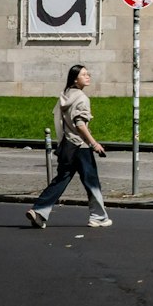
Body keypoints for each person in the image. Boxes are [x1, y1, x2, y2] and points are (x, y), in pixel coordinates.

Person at [26, 64, 111, 228]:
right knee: (91, 181)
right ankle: (98, 217)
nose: (88, 77)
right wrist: (94, 144)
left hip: (67, 145)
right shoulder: (82, 99)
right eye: (84, 75)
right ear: (75, 79)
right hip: (81, 146)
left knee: (61, 180)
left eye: (88, 74)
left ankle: (39, 211)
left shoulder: (65, 95)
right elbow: (80, 124)